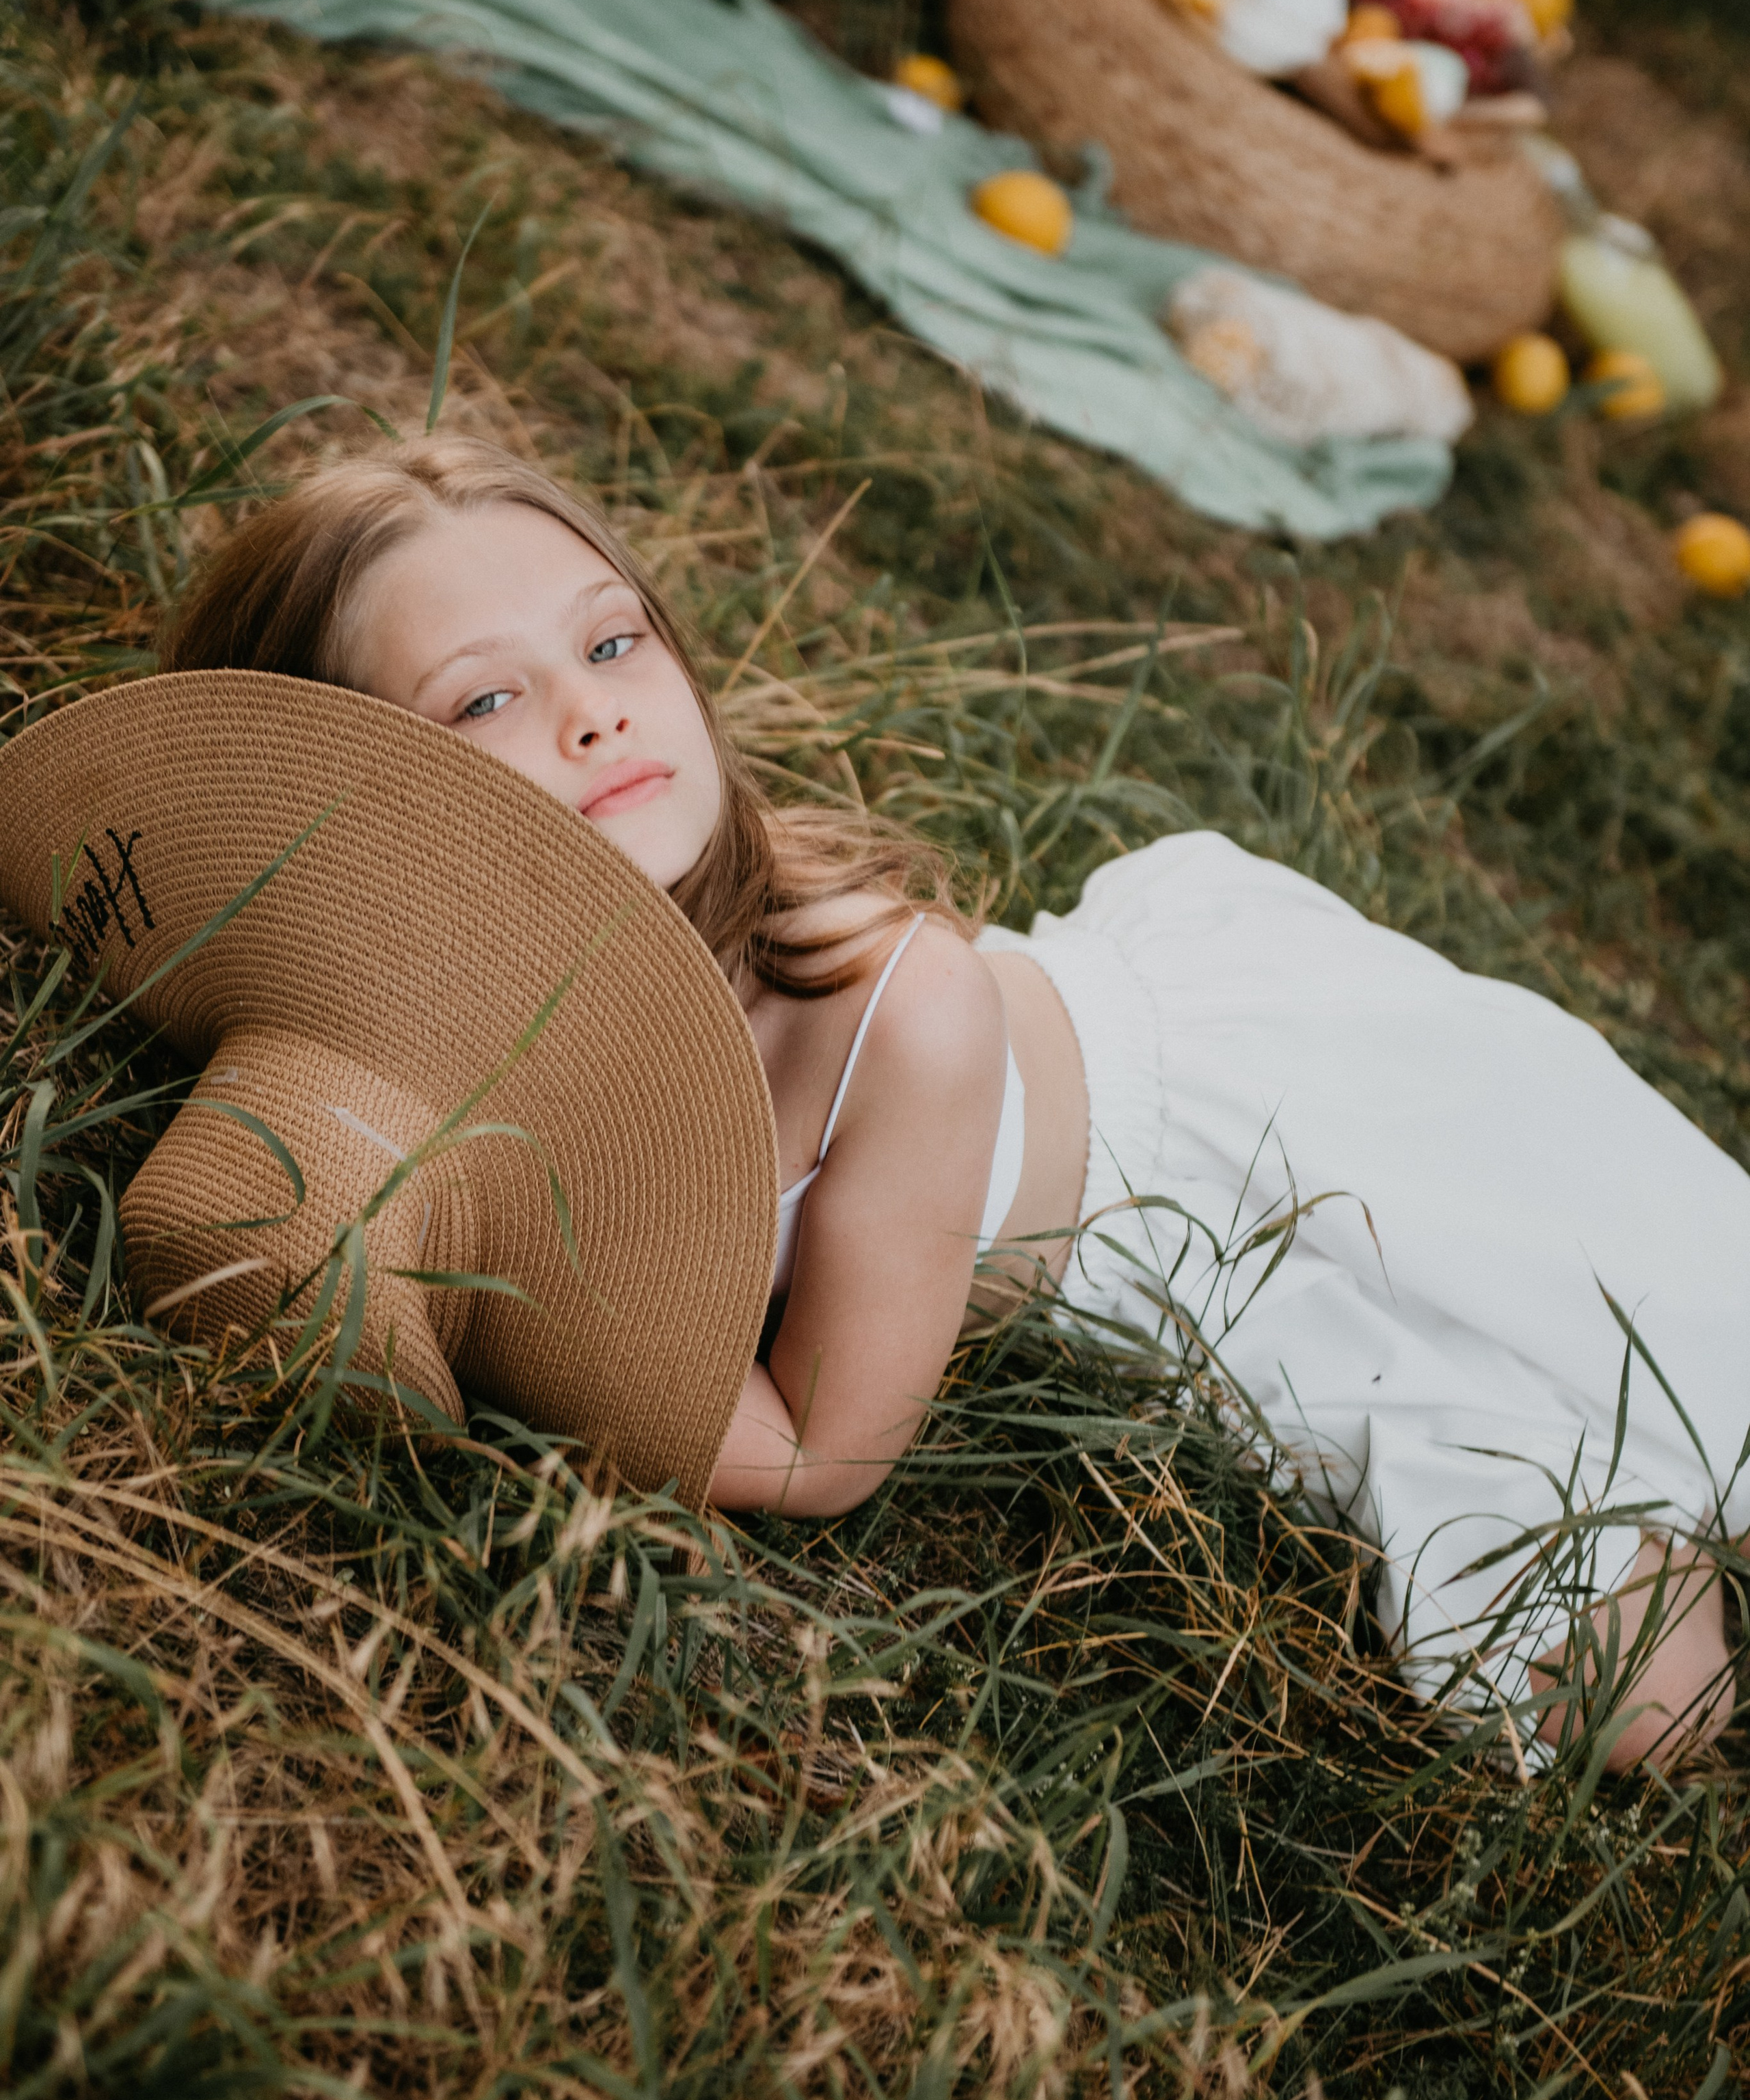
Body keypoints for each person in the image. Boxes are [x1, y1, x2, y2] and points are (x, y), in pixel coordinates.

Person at [164, 435, 1750, 1773]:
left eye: (610, 641)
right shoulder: (415, 985)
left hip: (1250, 1186)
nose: (594, 714)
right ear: (347, 792)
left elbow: (818, 1452)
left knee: (1646, 1679)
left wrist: (496, 1312)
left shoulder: (893, 1015)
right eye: (481, 703)